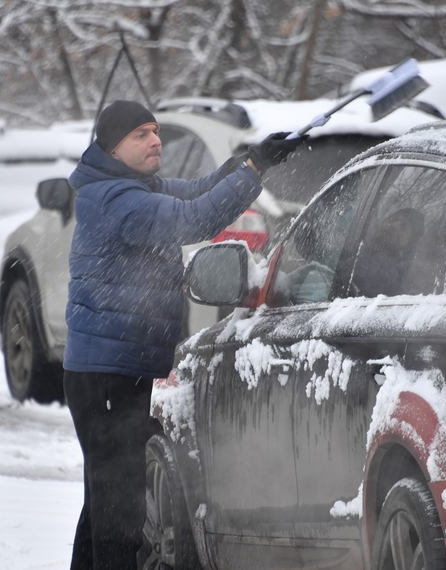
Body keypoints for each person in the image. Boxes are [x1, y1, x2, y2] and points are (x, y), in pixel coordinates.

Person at [63, 100, 303, 570]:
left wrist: (246, 161)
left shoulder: (128, 186)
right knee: (119, 514)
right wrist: (254, 169)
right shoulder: (117, 200)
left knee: (104, 502)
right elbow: (193, 220)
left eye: (155, 130)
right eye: (141, 135)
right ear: (112, 148)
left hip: (112, 369)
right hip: (107, 376)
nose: (155, 140)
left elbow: (195, 191)